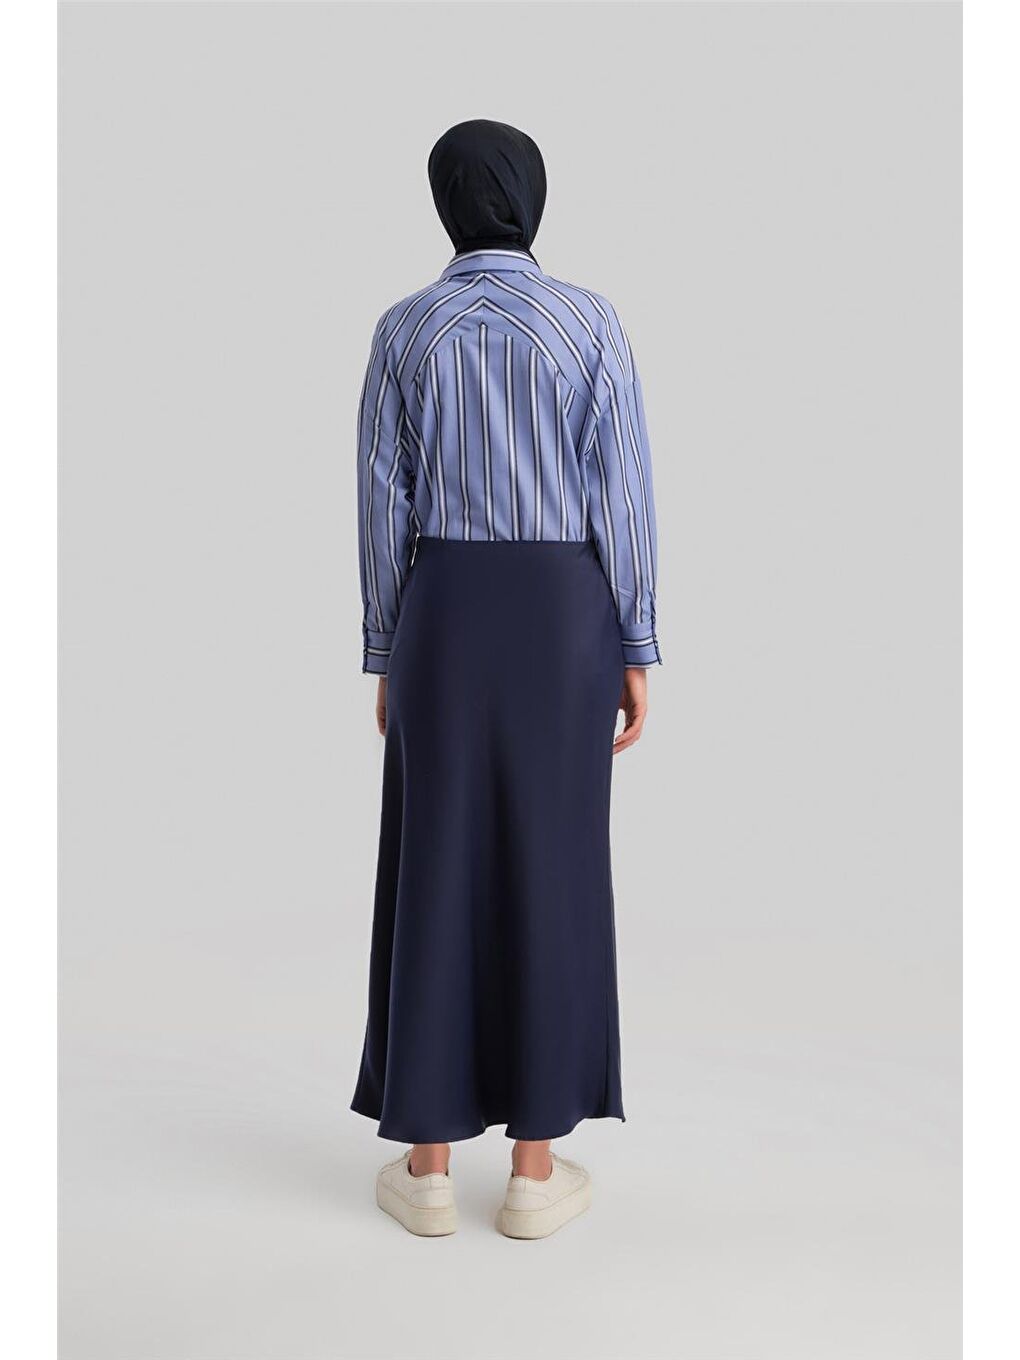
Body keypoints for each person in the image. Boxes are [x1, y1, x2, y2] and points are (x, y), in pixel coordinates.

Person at [351, 118, 661, 1239]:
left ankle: (428, 1166)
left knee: (433, 860)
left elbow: (381, 502)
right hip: (564, 616)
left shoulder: (404, 328)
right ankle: (534, 1172)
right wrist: (635, 644)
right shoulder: (590, 322)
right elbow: (623, 492)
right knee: (554, 862)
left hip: (443, 613)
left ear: (445, 203)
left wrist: (387, 648)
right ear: (534, 197)